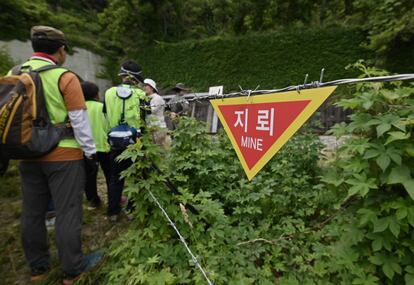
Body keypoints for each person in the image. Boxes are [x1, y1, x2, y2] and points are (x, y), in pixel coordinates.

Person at [13, 26, 103, 284]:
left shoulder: (16, 74)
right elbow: (79, 120)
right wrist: (90, 153)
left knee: (32, 211)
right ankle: (72, 269)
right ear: (60, 50)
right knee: (67, 211)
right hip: (64, 155)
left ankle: (38, 268)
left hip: (27, 153)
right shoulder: (64, 77)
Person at [103, 60, 146, 221]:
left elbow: (105, 116)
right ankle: (132, 211)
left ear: (122, 76)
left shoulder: (108, 93)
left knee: (115, 178)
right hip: (135, 143)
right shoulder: (140, 94)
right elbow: (144, 120)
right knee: (136, 178)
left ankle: (113, 212)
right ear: (136, 79)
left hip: (114, 142)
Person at [81, 81, 111, 209]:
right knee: (110, 174)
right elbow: (109, 125)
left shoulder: (79, 109)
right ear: (96, 94)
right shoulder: (102, 107)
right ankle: (113, 198)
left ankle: (94, 201)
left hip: (86, 148)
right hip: (104, 146)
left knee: (89, 176)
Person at [143, 78, 170, 146]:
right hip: (150, 128)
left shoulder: (157, 98)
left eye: (146, 85)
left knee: (160, 150)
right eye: (144, 85)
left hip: (158, 129)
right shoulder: (145, 98)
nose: (144, 87)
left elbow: (151, 110)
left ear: (152, 88)